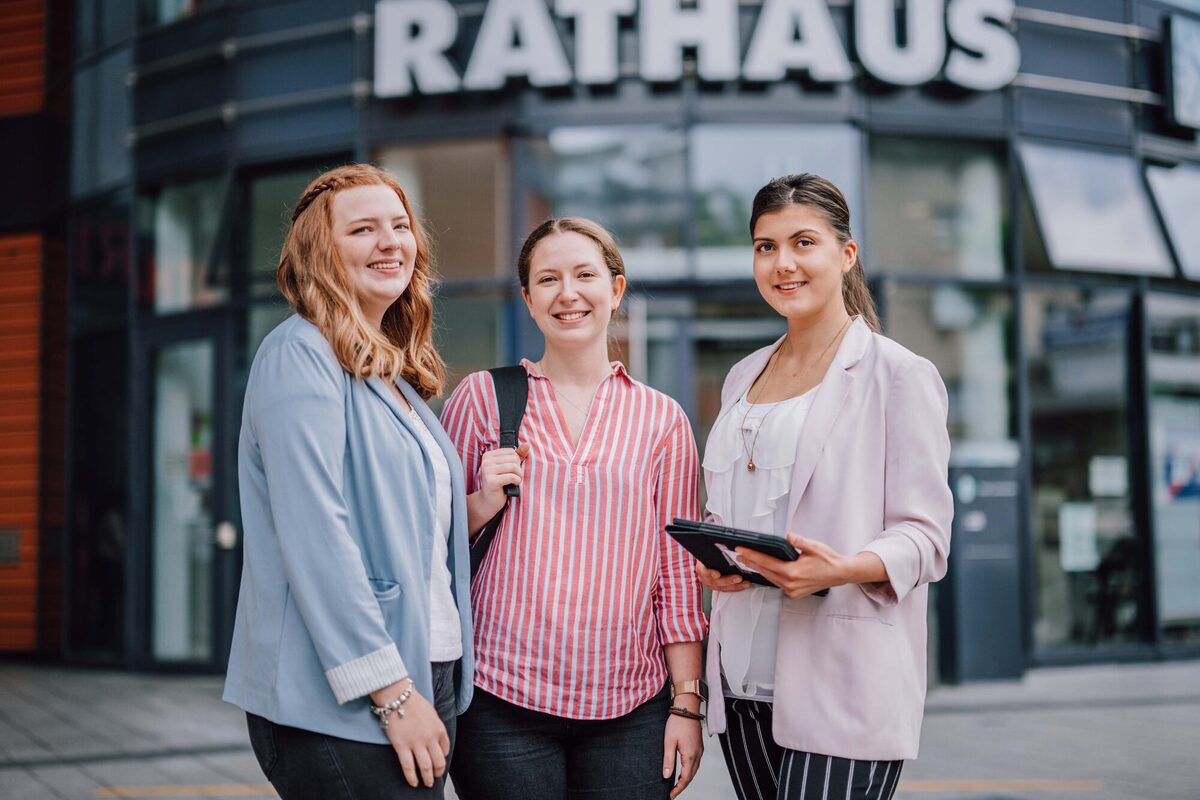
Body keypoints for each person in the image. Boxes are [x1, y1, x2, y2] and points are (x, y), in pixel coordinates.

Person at [696, 174, 953, 800]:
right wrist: (719, 564)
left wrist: (837, 570)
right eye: (764, 246)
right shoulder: (741, 377)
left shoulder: (897, 375)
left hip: (842, 676)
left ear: (846, 254)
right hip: (740, 678)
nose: (782, 263)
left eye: (802, 242)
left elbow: (926, 538)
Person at [223, 164, 473, 799]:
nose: (390, 241)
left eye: (399, 225)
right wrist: (390, 693)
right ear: (321, 252)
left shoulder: (389, 372)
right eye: (363, 229)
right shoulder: (299, 352)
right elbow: (315, 532)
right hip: (349, 690)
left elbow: (403, 529)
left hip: (425, 667)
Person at [441, 218, 707, 800]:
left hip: (632, 707)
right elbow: (429, 548)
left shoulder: (662, 420)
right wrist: (480, 503)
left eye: (585, 275)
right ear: (529, 299)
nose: (568, 293)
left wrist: (686, 703)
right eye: (548, 279)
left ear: (615, 290)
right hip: (500, 701)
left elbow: (678, 574)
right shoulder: (483, 398)